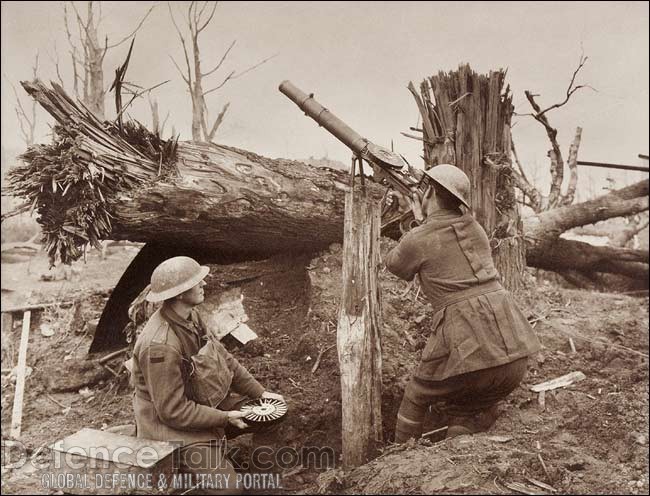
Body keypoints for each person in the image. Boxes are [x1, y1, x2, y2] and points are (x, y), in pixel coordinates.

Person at [384, 164, 541, 443]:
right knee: (465, 407)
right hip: (513, 354)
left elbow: (396, 266)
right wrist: (425, 222)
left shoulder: (419, 238)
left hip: (469, 344)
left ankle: (399, 459)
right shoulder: (476, 228)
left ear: (429, 191)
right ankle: (458, 445)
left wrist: (419, 223)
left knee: (417, 394)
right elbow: (445, 234)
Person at [130, 256, 284, 494]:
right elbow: (172, 411)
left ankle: (260, 487)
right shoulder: (160, 346)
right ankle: (184, 480)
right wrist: (224, 417)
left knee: (272, 415)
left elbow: (225, 359)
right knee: (229, 489)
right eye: (197, 282)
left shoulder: (191, 316)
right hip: (171, 428)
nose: (204, 284)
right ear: (180, 293)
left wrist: (262, 394)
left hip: (202, 402)